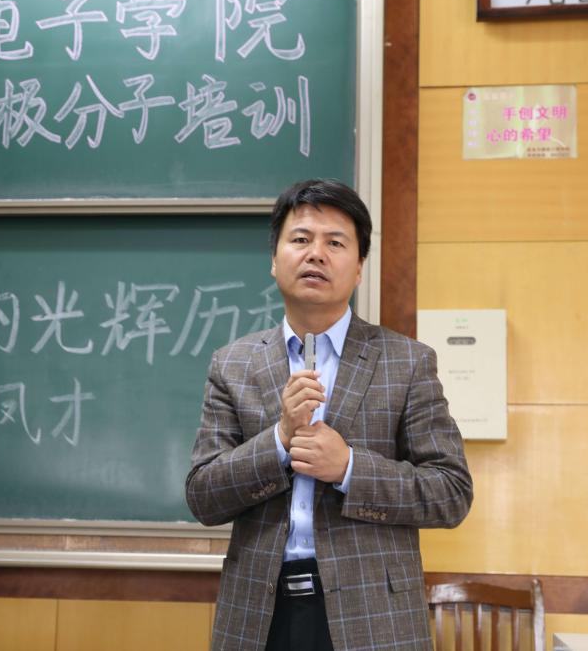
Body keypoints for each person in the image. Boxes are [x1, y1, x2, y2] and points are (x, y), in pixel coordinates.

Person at [186, 178, 473, 651]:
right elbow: (203, 496)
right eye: (301, 239)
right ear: (274, 259)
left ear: (358, 267)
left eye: (335, 243)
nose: (316, 254)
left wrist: (349, 468)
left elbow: (451, 493)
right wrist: (279, 440)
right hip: (258, 616)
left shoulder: (407, 362)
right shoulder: (232, 364)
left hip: (373, 617)